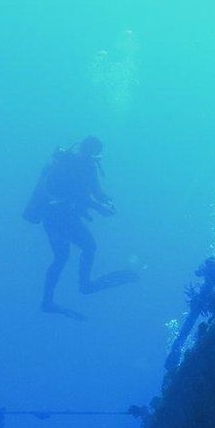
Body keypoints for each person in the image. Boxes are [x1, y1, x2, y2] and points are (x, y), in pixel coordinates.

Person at [23, 136, 138, 318]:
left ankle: (59, 296)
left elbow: (96, 192)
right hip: (55, 216)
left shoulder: (89, 166)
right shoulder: (69, 165)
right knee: (70, 253)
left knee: (69, 254)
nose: (91, 156)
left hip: (64, 217)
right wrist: (99, 207)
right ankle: (74, 290)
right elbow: (77, 195)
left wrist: (107, 201)